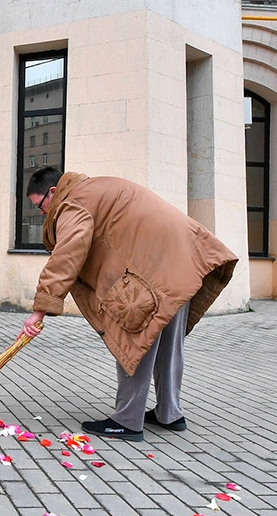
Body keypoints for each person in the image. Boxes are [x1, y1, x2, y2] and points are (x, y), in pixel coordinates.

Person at [19, 167, 238, 442]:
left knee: (134, 339)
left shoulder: (73, 201)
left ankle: (126, 421)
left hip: (154, 269)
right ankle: (170, 413)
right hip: (184, 260)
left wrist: (40, 310)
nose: (42, 214)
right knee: (168, 342)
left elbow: (68, 254)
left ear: (53, 191)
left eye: (40, 206)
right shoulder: (99, 187)